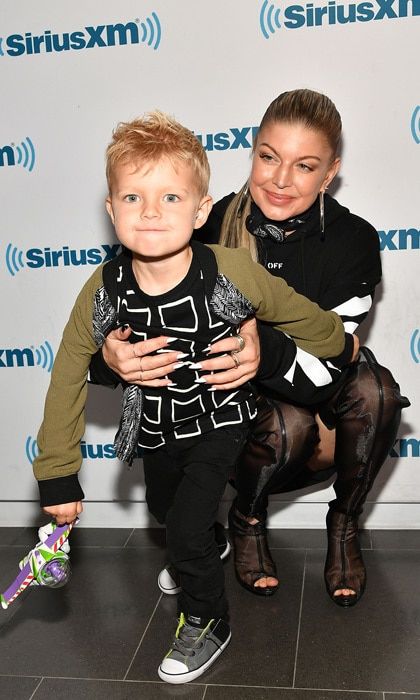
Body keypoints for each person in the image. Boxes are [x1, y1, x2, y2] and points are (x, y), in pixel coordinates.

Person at [32, 110, 350, 684]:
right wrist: (57, 476)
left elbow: (292, 309)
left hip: (219, 416)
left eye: (171, 197)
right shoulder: (102, 289)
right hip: (153, 424)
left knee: (182, 529)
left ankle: (207, 619)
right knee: (166, 509)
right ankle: (205, 545)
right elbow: (67, 373)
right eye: (132, 197)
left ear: (201, 211)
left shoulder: (227, 271)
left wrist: (342, 344)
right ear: (111, 210)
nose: (150, 212)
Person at [90, 89, 409, 608]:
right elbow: (106, 337)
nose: (281, 180)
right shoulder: (197, 223)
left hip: (313, 387)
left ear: (330, 174)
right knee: (287, 423)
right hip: (224, 417)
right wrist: (109, 358)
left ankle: (345, 524)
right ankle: (247, 519)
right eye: (268, 157)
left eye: (304, 166)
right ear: (253, 151)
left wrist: (269, 349)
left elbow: (332, 364)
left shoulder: (354, 240)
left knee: (379, 393)